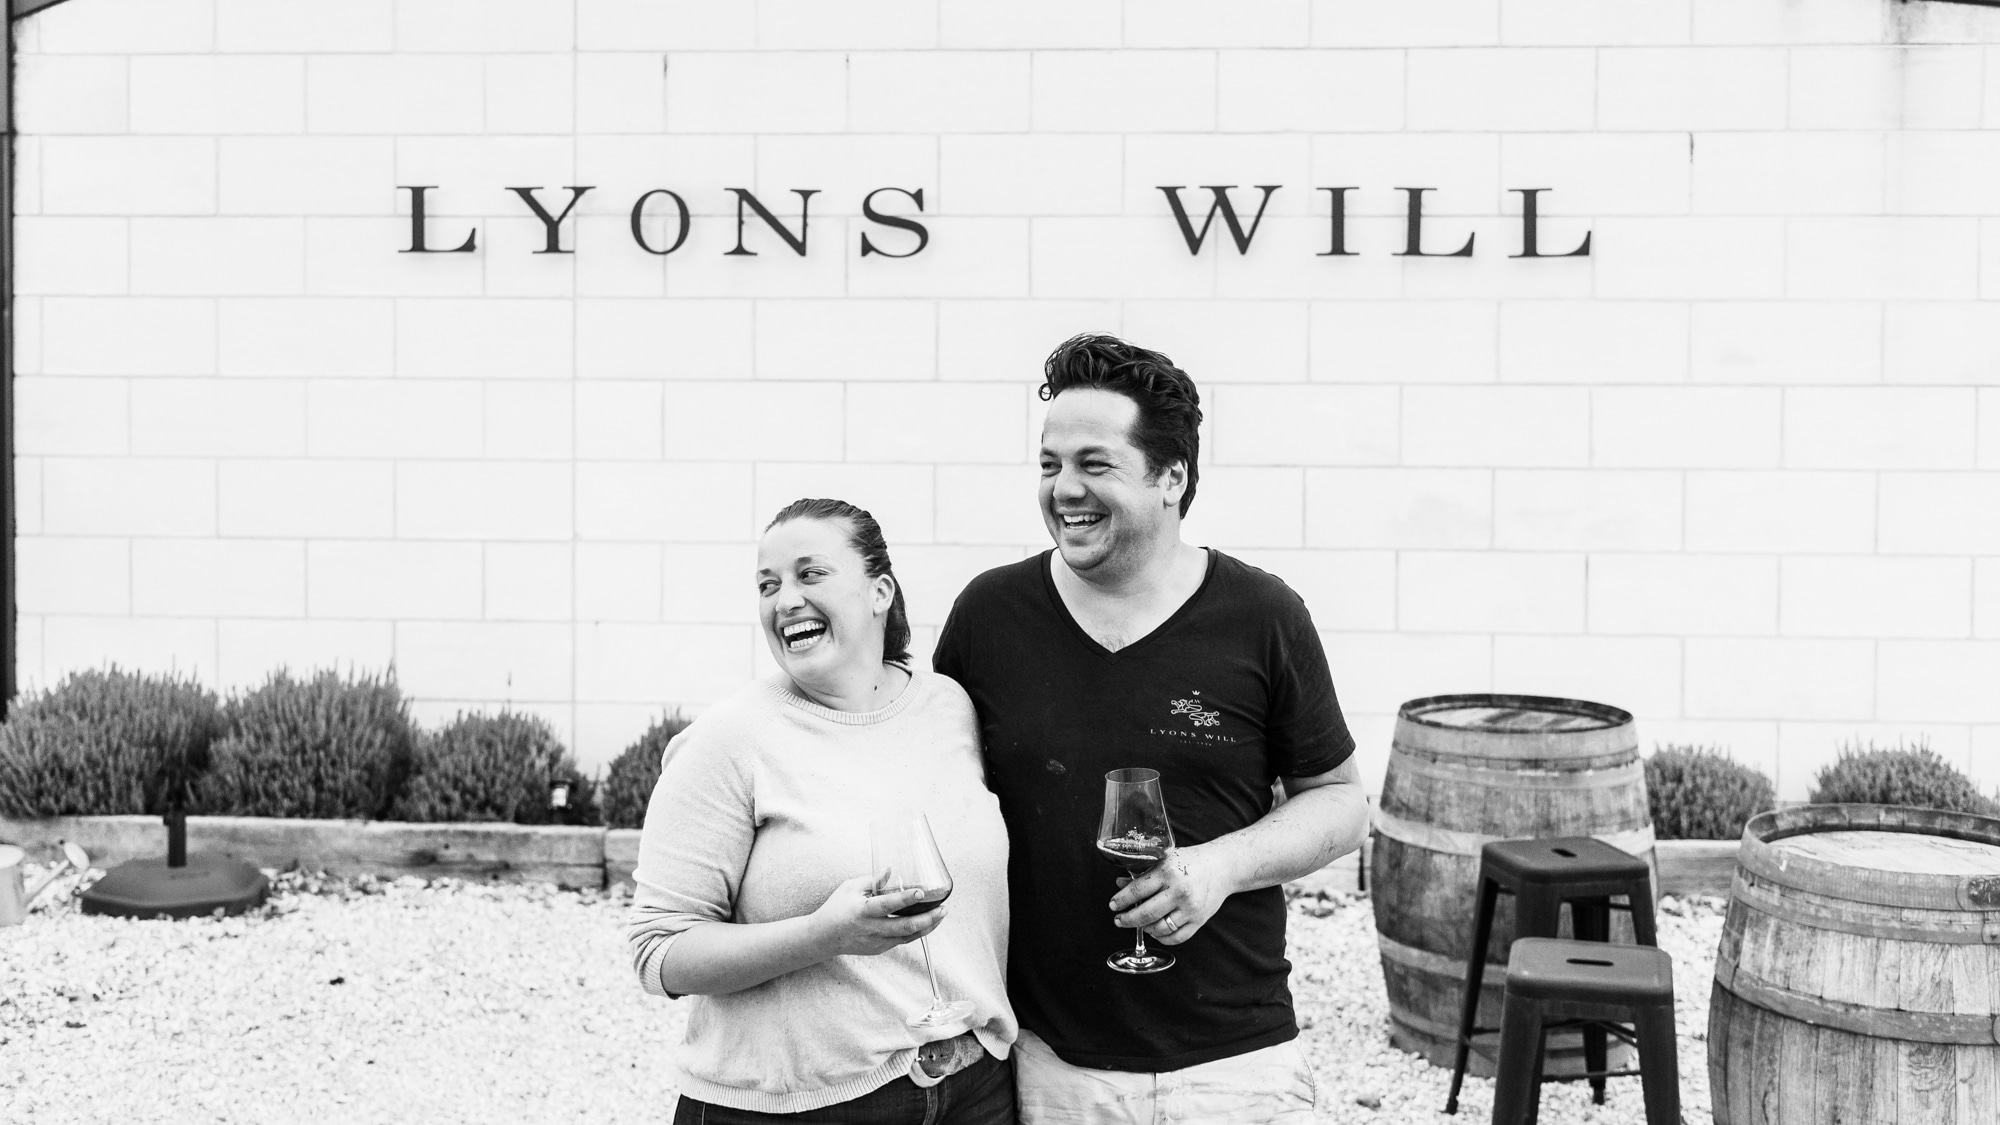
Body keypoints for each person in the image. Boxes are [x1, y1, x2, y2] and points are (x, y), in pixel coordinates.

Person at [932, 334, 1370, 1124]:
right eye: (1049, 464)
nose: (1064, 489)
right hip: (1050, 1065)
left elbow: (1340, 805)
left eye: (1094, 465)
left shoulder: (1263, 616)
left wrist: (1221, 866)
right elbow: (928, 798)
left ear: (1172, 477)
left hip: (1238, 1065)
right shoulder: (989, 618)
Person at [627, 498, 1018, 1124]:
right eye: (767, 585)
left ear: (879, 591)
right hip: (801, 1109)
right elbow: (658, 952)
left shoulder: (949, 708)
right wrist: (822, 936)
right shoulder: (729, 740)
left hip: (975, 1091)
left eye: (810, 575)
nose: (784, 600)